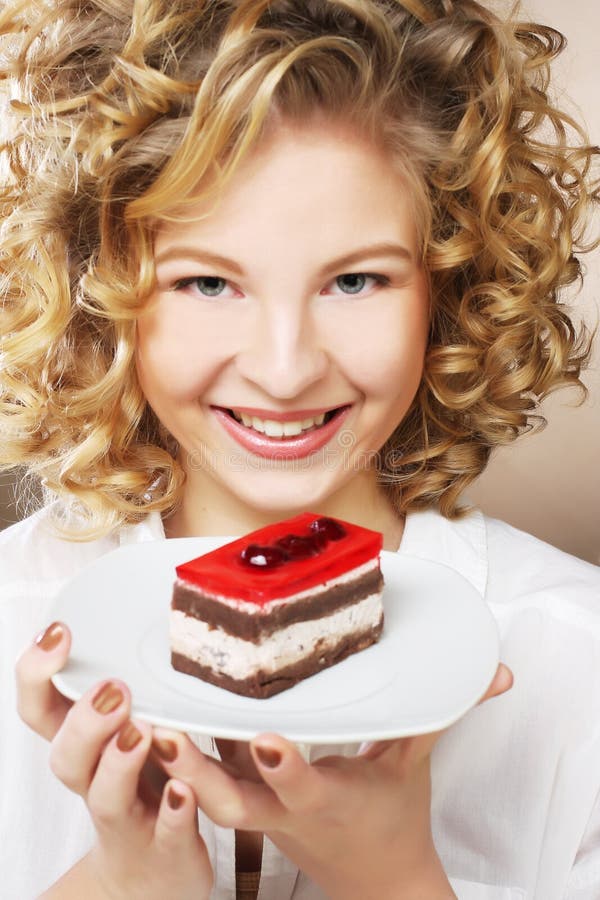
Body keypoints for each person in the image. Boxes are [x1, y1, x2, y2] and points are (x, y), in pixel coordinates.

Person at [1, 0, 599, 897]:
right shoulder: (18, 611)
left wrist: (396, 881)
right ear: (103, 291)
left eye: (355, 280)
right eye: (208, 282)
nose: (285, 372)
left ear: (451, 286)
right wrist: (125, 884)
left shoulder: (576, 656)